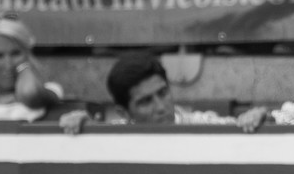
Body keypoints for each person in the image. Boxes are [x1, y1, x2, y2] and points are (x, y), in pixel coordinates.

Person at [58, 54, 255, 134]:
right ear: (124, 112)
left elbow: (244, 125)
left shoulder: (201, 124)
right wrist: (82, 126)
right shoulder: (114, 135)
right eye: (145, 102)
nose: (161, 107)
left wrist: (258, 116)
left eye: (163, 93)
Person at [0, 13, 61, 123]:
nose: (8, 64)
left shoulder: (49, 88)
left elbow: (31, 93)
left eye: (16, 53)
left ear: (27, 53)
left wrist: (24, 66)